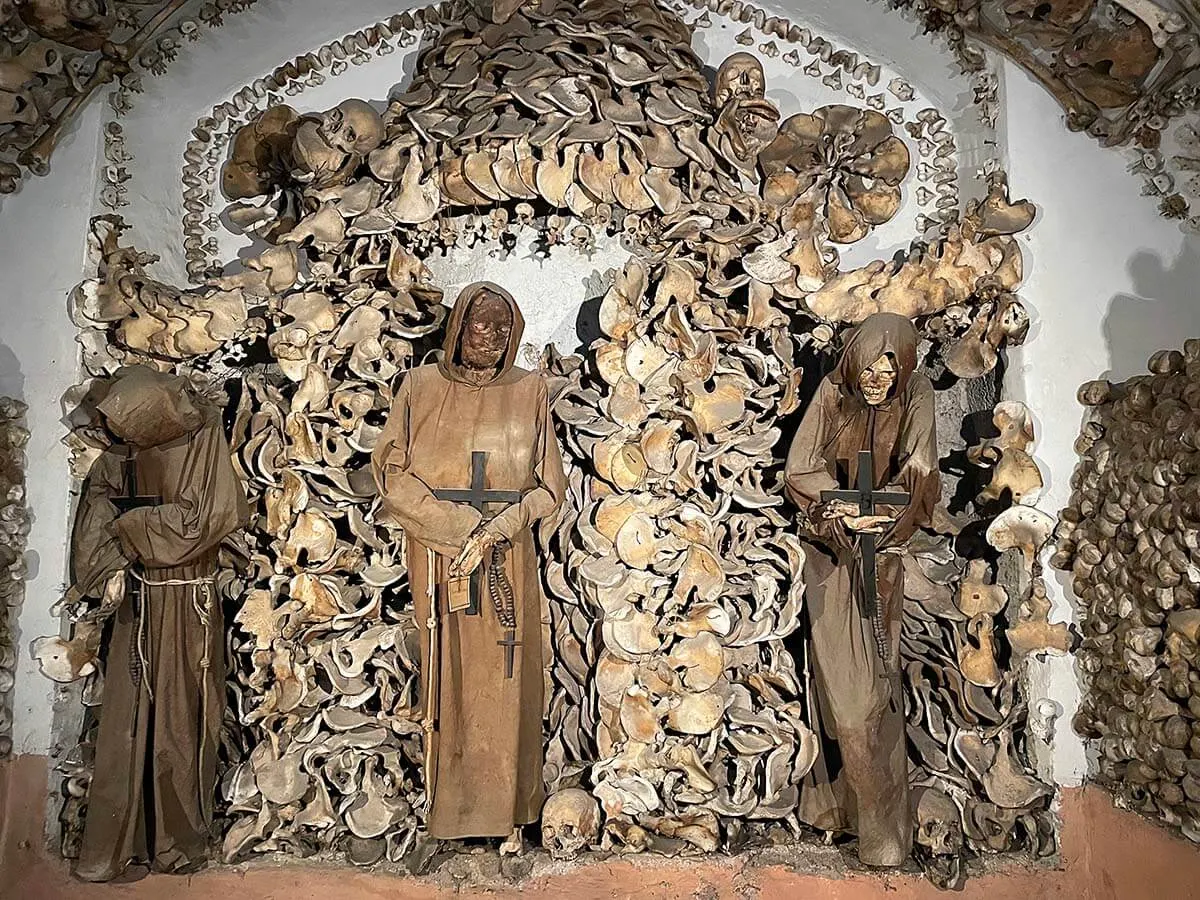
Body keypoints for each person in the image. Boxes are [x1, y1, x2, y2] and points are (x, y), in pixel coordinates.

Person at [371, 282, 566, 849]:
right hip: (438, 554)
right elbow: (391, 472)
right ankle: (446, 814)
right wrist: (458, 529)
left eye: (503, 329)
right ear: (457, 327)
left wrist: (497, 529)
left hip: (507, 558)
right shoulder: (419, 387)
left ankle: (507, 815)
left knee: (506, 681)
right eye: (480, 325)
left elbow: (549, 488)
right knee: (442, 677)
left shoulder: (530, 392)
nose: (491, 338)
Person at [72, 367, 248, 881]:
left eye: (129, 429)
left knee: (179, 718)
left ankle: (174, 841)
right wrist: (112, 551)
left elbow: (207, 518)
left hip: (186, 602)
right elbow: (99, 502)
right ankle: (116, 842)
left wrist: (127, 526)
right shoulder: (122, 449)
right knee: (127, 722)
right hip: (138, 599)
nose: (122, 440)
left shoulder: (202, 440)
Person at [783, 313, 939, 866]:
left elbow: (922, 470)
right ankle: (837, 811)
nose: (875, 380)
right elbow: (801, 467)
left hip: (885, 559)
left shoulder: (917, 392)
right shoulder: (832, 391)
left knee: (877, 692)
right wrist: (841, 510)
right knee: (841, 696)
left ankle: (882, 830)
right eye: (867, 368)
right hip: (832, 557)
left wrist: (887, 517)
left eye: (886, 370)